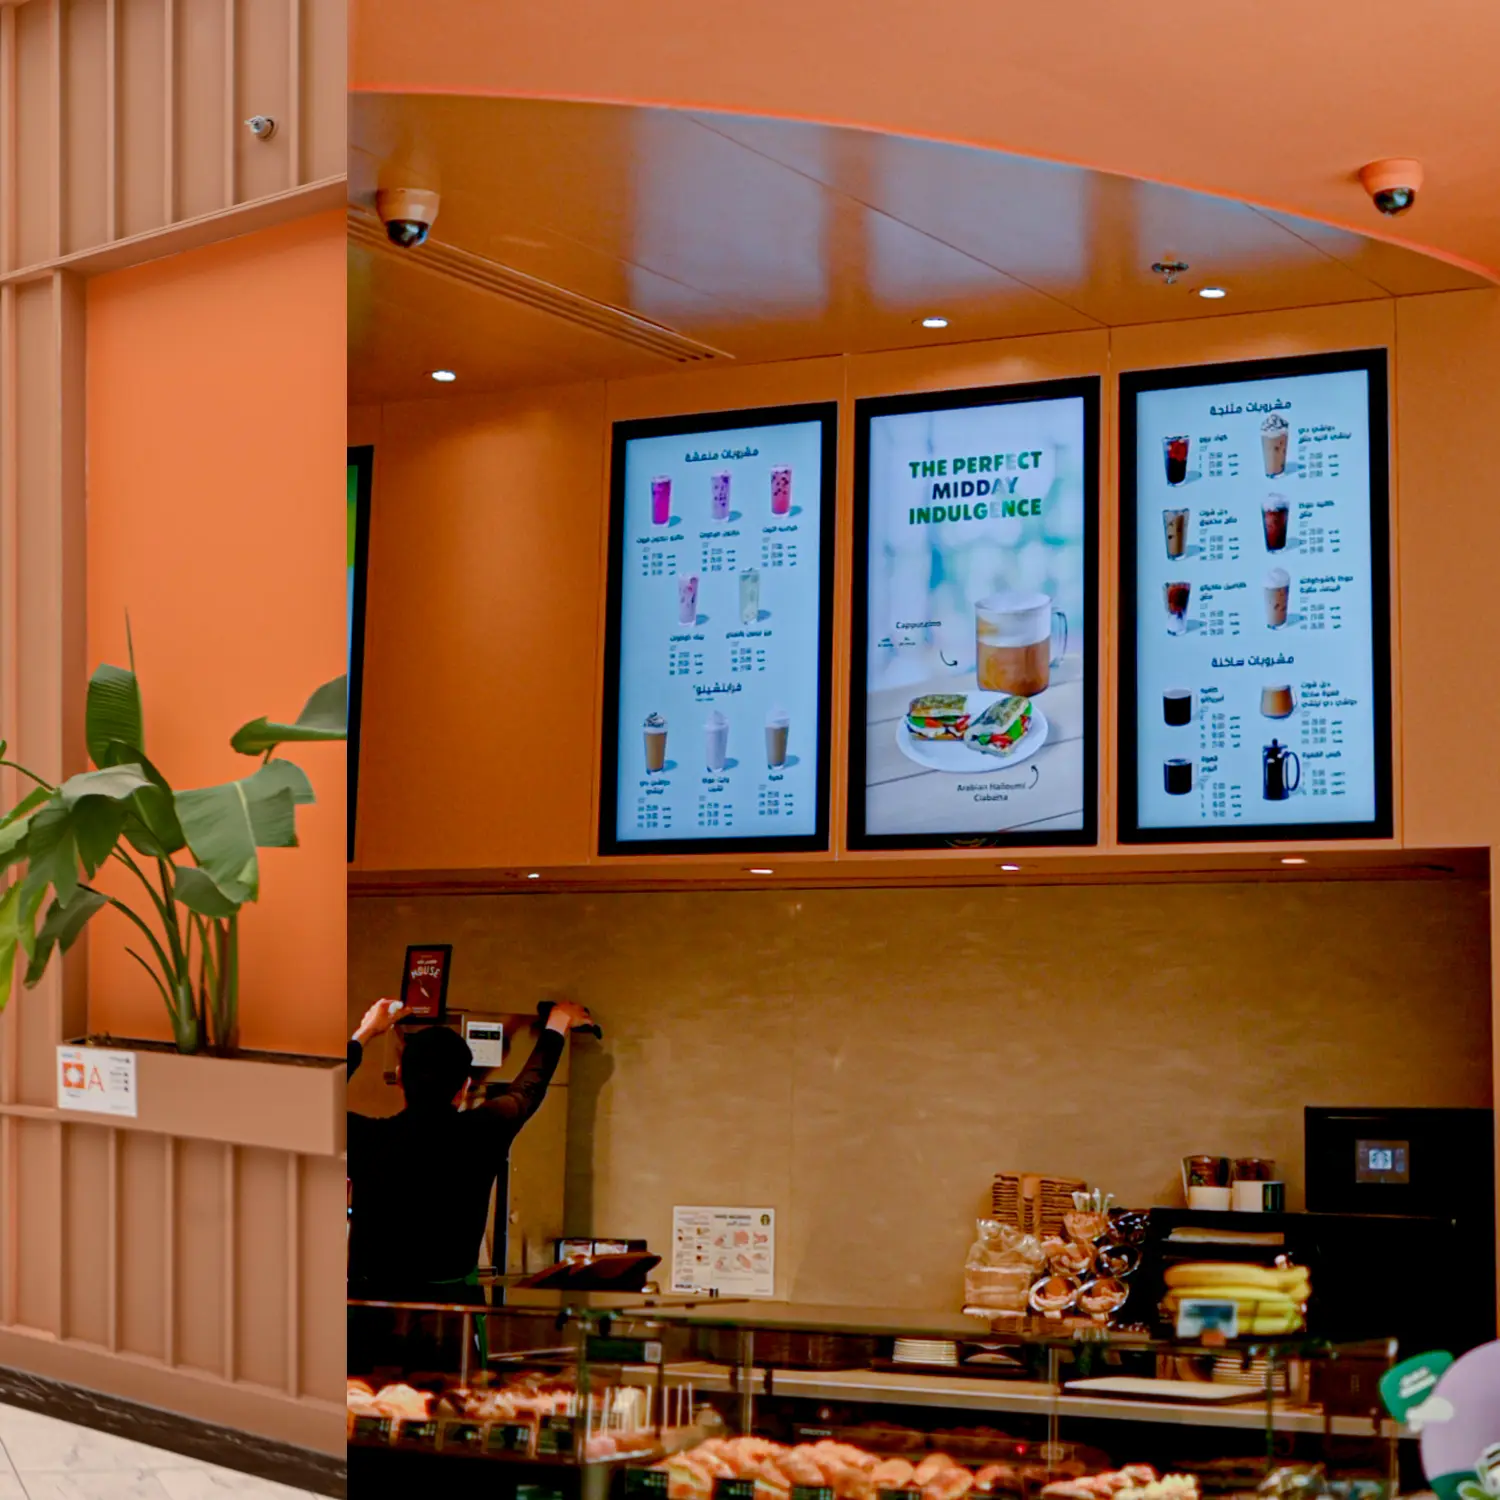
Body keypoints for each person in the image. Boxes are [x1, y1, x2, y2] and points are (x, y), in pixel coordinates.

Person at [345, 996, 594, 1371]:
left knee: (369, 1403)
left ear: (399, 1077)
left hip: (371, 1321)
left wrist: (365, 1033)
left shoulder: (368, 1138)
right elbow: (529, 1088)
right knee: (448, 1403)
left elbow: (310, 1097)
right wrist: (558, 1022)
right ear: (463, 1087)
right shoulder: (483, 1132)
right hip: (449, 1323)